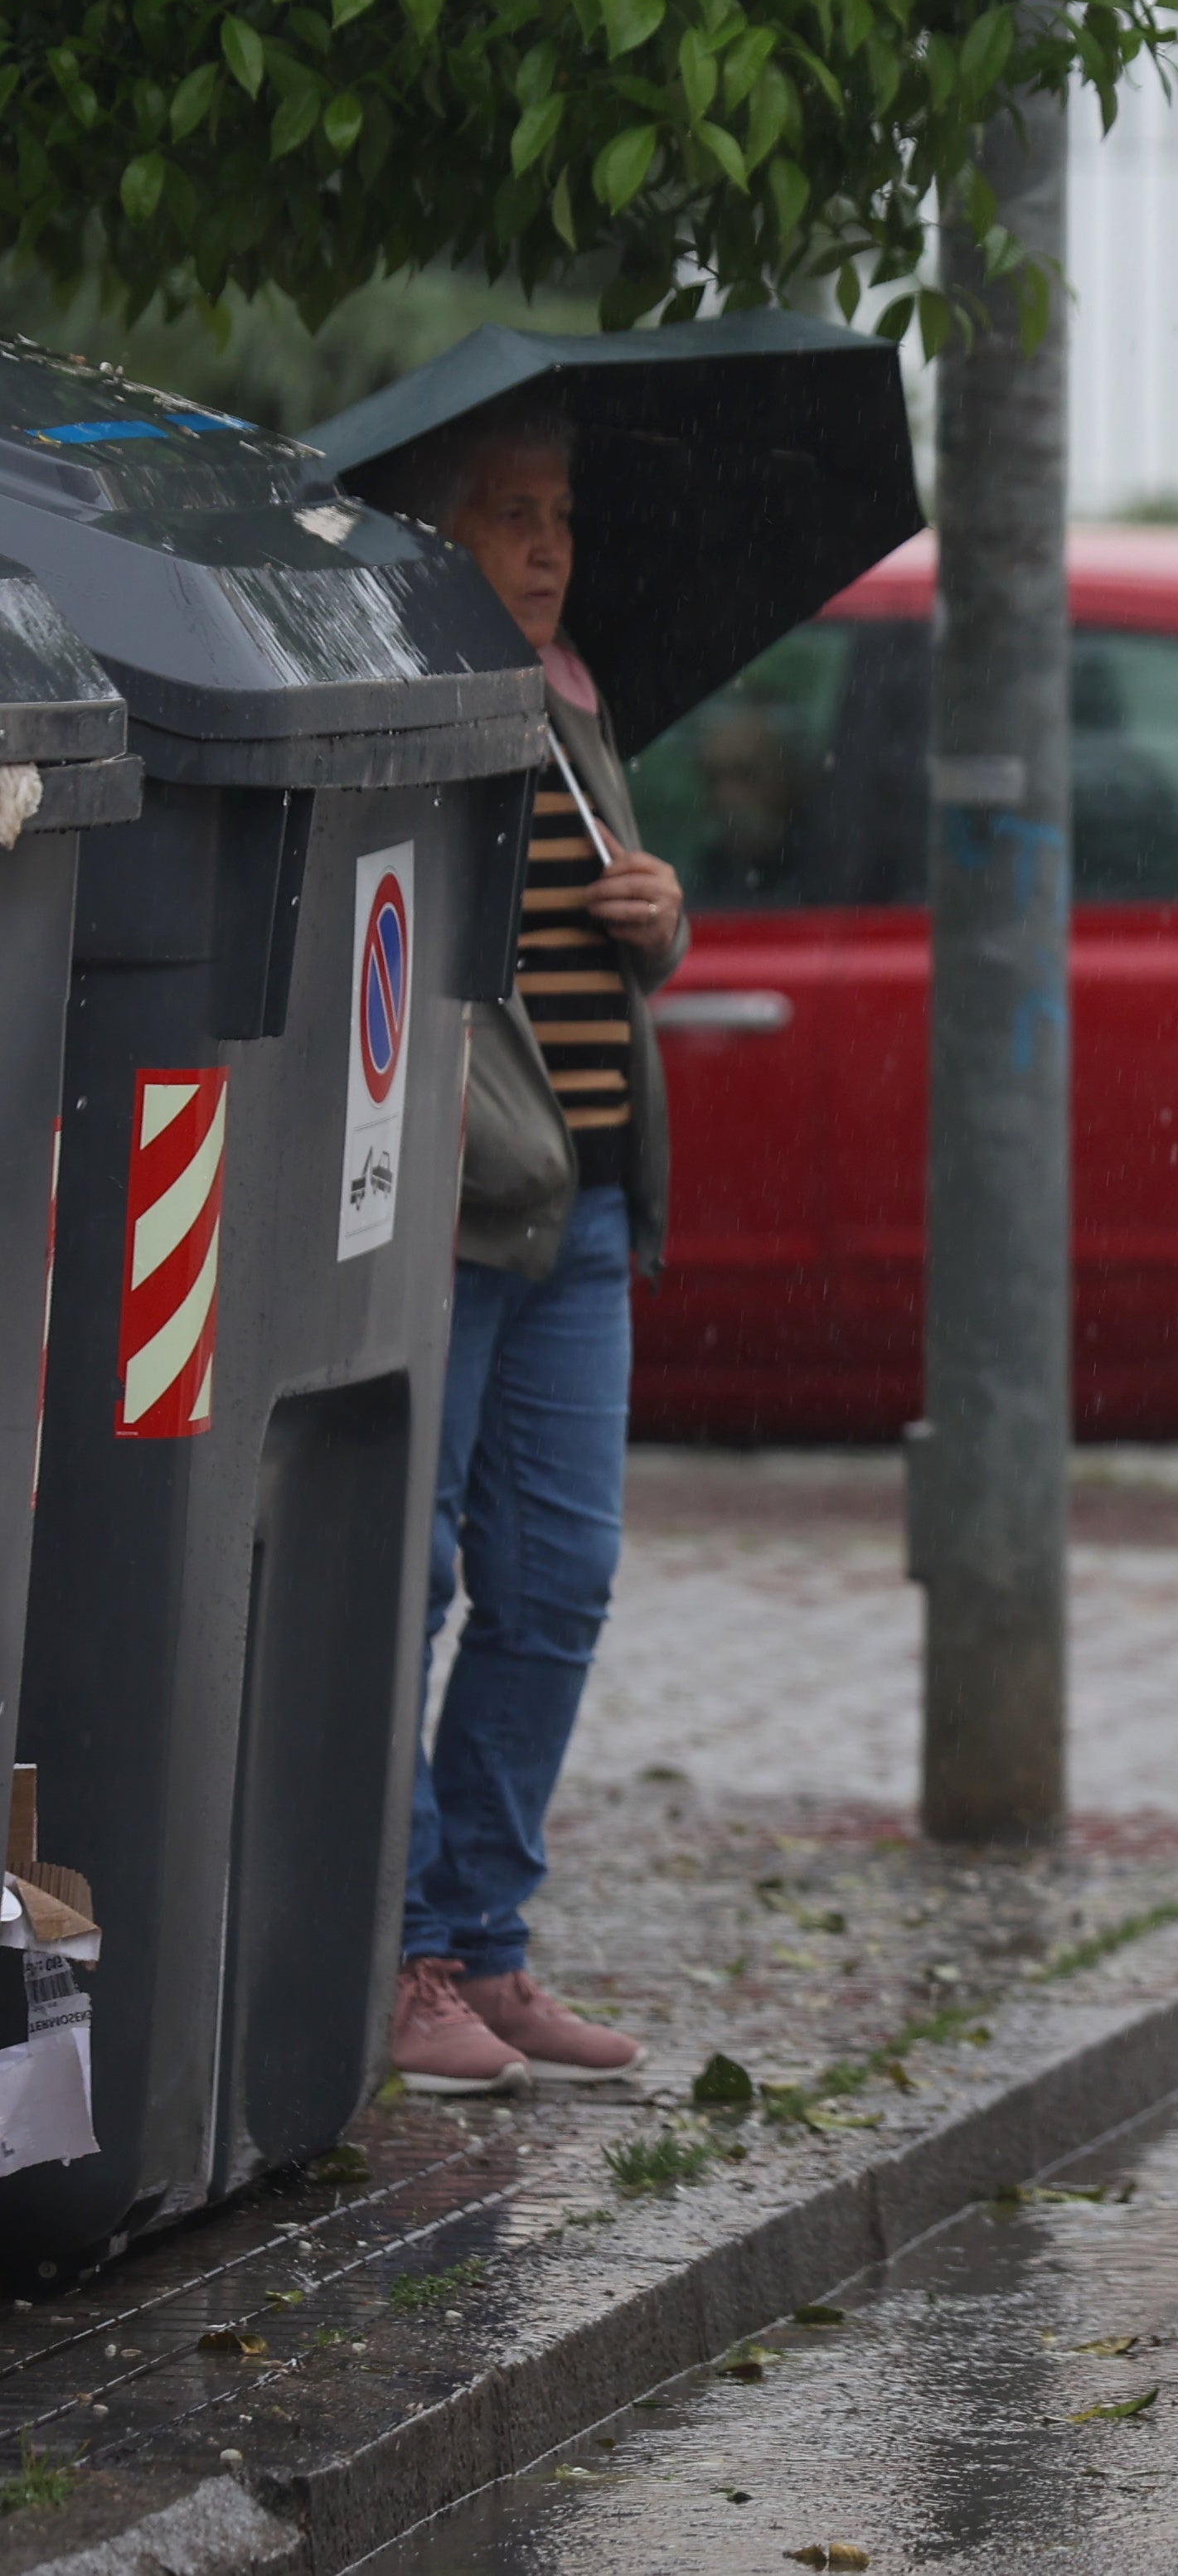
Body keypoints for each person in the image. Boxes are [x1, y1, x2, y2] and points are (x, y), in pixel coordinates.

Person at [376, 394, 688, 2095]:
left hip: (587, 1206)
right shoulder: (415, 698)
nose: (551, 546)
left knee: (557, 1579)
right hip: (456, 1200)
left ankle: (488, 1942)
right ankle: (403, 1949)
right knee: (409, 1577)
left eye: (561, 516)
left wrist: (663, 914)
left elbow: (611, 916)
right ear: (439, 537)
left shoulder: (574, 697)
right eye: (512, 515)